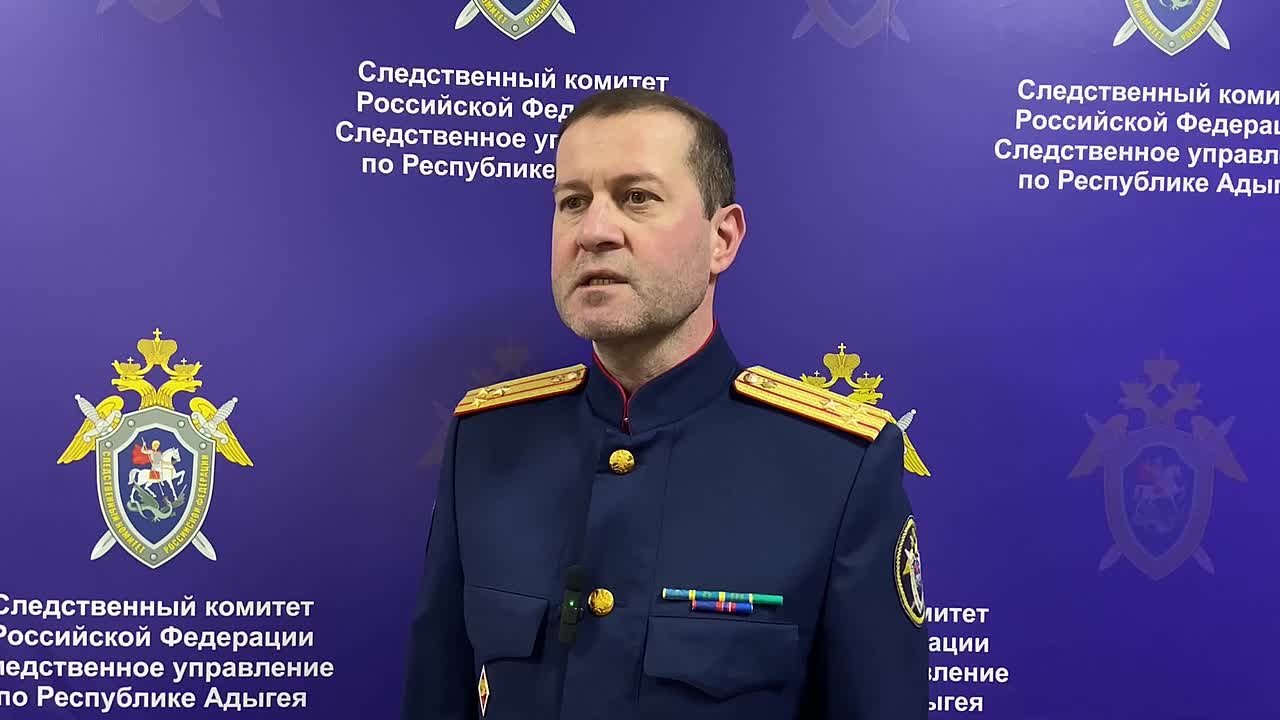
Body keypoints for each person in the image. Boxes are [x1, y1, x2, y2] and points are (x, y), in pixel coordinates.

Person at [401, 87, 928, 719]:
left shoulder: (836, 466)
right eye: (572, 202)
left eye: (637, 197)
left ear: (721, 239)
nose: (594, 232)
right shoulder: (487, 441)